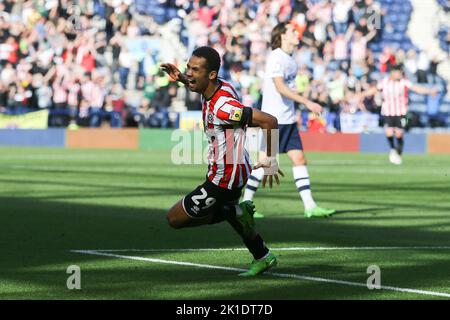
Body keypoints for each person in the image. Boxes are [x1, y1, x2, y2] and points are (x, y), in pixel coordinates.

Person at [161, 46, 283, 276]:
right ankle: (263, 255)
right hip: (233, 168)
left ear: (212, 75)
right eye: (189, 67)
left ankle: (234, 211)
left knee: (175, 218)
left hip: (225, 176)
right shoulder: (219, 86)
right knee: (238, 219)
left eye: (195, 70)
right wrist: (181, 79)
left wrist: (269, 158)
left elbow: (269, 120)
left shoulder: (224, 107)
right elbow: (201, 85)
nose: (190, 73)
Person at [243, 22, 336, 219]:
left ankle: (310, 206)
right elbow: (280, 87)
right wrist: (307, 102)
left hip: (288, 119)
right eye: (292, 31)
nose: (297, 33)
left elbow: (286, 89)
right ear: (283, 36)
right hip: (273, 120)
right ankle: (245, 203)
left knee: (299, 159)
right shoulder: (277, 56)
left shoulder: (289, 58)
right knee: (265, 163)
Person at [358, 65, 437, 164]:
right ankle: (393, 150)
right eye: (398, 73)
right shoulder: (384, 82)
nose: (400, 74)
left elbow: (416, 88)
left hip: (401, 112)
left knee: (399, 133)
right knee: (389, 132)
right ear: (393, 73)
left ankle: (399, 152)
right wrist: (361, 94)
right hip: (387, 111)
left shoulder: (403, 82)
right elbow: (374, 90)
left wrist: (429, 91)